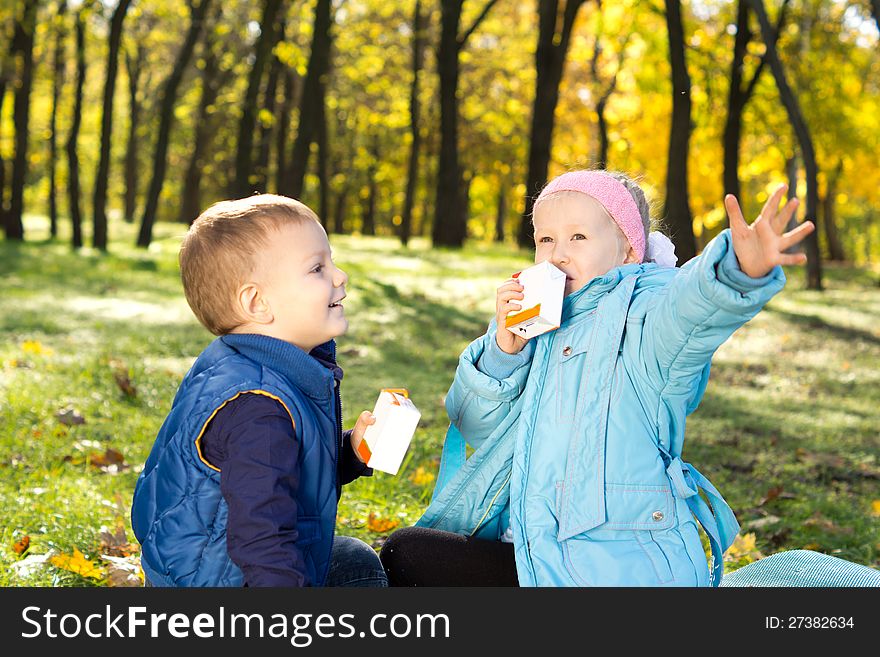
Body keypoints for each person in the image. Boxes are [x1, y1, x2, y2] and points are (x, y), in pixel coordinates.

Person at [380, 169, 814, 587]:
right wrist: (503, 352)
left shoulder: (645, 317)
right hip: (536, 557)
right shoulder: (534, 327)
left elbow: (691, 313)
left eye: (578, 237)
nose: (557, 253)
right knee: (406, 554)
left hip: (619, 569)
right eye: (545, 239)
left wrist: (738, 268)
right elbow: (474, 426)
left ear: (628, 250)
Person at [132, 194, 387, 587]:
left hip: (206, 572)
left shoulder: (248, 365)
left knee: (353, 560)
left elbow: (282, 476)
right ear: (257, 302)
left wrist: (351, 452)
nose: (340, 276)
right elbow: (263, 541)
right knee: (357, 573)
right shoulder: (258, 408)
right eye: (317, 268)